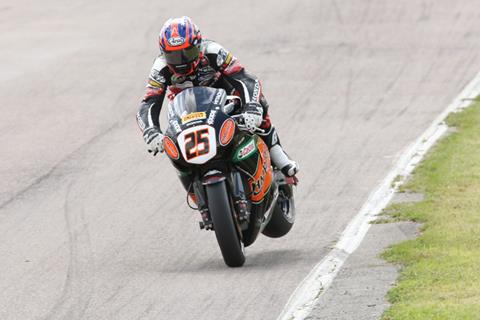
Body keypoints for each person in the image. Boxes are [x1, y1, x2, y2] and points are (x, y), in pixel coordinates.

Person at [136, 16, 299, 184]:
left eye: (188, 53)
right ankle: (193, 182)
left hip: (224, 97)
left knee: (258, 106)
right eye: (174, 57)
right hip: (187, 110)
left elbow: (245, 78)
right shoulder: (160, 68)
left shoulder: (212, 50)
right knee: (174, 144)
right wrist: (151, 131)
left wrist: (252, 106)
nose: (182, 62)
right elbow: (149, 103)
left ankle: (278, 157)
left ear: (198, 45)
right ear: (163, 53)